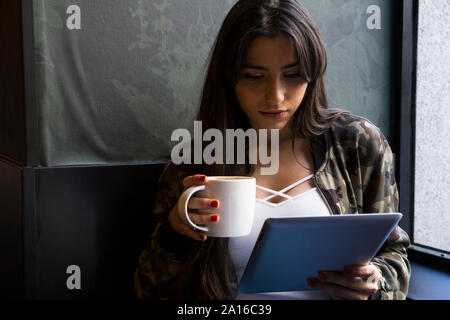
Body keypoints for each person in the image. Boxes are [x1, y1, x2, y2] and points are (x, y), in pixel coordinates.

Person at [134, 0, 410, 300]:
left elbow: (394, 255)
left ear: (312, 72)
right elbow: (148, 290)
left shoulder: (357, 144)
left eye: (292, 75)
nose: (275, 96)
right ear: (229, 78)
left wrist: (375, 283)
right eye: (254, 76)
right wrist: (176, 233)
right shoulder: (198, 161)